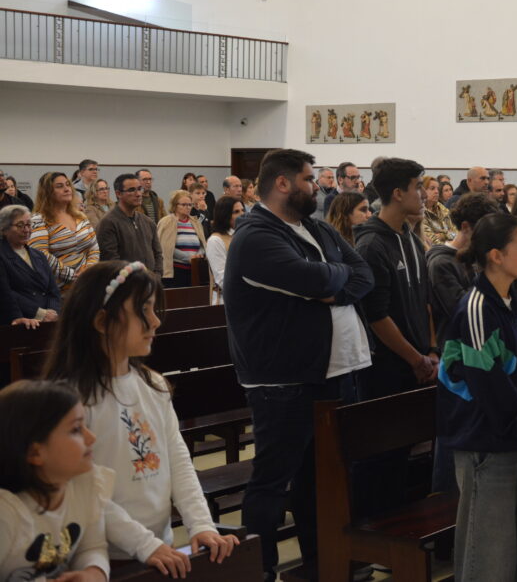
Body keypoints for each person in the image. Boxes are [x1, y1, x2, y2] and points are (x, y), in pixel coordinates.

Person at [223, 149, 374, 578]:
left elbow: (362, 274)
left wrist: (332, 284)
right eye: (309, 179)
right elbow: (315, 279)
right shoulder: (256, 237)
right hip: (283, 380)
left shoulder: (315, 227)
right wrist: (331, 278)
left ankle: (321, 563)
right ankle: (260, 570)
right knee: (273, 481)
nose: (316, 188)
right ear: (283, 183)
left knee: (320, 479)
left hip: (333, 371)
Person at [43, 261, 238, 575]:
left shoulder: (153, 384)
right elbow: (81, 488)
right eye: (143, 310)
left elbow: (178, 459)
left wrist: (201, 524)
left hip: (157, 551)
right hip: (96, 561)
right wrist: (143, 544)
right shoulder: (71, 398)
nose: (156, 321)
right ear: (102, 321)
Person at [436, 213, 517, 582]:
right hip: (485, 442)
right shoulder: (476, 308)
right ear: (496, 256)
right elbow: (489, 384)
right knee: (488, 552)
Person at [0, 380, 112, 582]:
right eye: (76, 429)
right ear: (35, 453)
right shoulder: (6, 513)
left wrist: (93, 573)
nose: (91, 437)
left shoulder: (86, 484)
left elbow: (92, 546)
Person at [354, 158, 437, 399]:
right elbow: (376, 316)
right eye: (418, 187)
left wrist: (432, 350)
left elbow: (426, 300)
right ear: (398, 193)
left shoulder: (411, 238)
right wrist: (416, 359)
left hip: (423, 361)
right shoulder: (371, 246)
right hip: (389, 370)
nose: (424, 194)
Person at [426, 193, 501, 352]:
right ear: (466, 227)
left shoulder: (478, 256)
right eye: (485, 231)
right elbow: (464, 310)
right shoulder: (441, 263)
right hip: (457, 349)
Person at [28, 171, 100, 291]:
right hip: (57, 290)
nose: (67, 189)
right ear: (47, 192)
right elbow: (40, 254)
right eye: (59, 186)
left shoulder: (80, 216)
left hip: (86, 285)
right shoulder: (38, 220)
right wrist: (72, 276)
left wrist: (89, 269)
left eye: (67, 184)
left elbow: (94, 247)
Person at [0, 205, 60, 321]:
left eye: (28, 224)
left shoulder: (39, 255)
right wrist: (40, 313)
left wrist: (53, 312)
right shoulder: (2, 255)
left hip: (49, 320)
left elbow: (53, 290)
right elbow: (5, 293)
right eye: (20, 225)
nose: (26, 230)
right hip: (21, 320)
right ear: (4, 229)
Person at [96, 174, 162, 274]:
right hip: (124, 281)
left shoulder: (148, 222)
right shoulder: (108, 223)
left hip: (150, 280)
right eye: (131, 190)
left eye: (139, 189)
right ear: (118, 194)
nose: (138, 194)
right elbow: (111, 261)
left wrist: (156, 276)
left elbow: (158, 254)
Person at [156, 190, 206, 288]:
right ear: (175, 205)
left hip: (194, 270)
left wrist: (199, 254)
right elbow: (165, 248)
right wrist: (188, 257)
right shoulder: (166, 222)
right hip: (175, 271)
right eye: (183, 205)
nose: (187, 207)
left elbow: (203, 244)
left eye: (190, 205)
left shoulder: (195, 222)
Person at [206, 196, 244, 306]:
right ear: (225, 215)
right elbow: (222, 278)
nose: (242, 215)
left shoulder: (243, 235)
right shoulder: (215, 240)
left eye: (242, 210)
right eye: (236, 212)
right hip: (227, 301)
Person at [423, 175, 458, 245]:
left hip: (451, 247)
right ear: (422, 190)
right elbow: (431, 242)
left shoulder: (442, 208)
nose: (436, 192)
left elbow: (456, 233)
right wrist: (449, 236)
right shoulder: (419, 213)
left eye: (437, 189)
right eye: (432, 188)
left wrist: (442, 235)